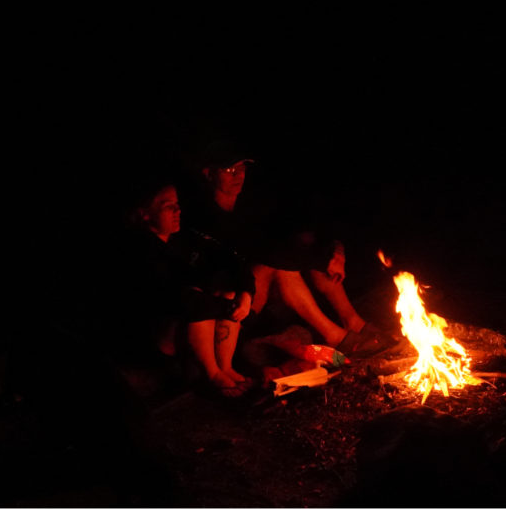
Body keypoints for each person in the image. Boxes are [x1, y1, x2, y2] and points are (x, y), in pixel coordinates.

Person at [182, 140, 397, 361]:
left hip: (258, 289)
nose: (239, 176)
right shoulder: (205, 216)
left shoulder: (250, 202)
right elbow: (262, 253)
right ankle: (336, 337)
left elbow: (287, 234)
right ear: (209, 174)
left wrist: (333, 251)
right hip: (235, 300)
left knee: (302, 251)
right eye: (229, 170)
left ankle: (353, 322)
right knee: (281, 266)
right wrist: (321, 259)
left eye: (242, 168)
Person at [125, 178, 254, 397]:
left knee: (227, 291)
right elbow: (178, 299)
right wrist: (228, 307)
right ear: (145, 214)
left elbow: (233, 261)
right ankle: (213, 375)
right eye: (168, 207)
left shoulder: (185, 238)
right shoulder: (140, 252)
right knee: (197, 300)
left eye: (177, 204)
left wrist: (245, 293)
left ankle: (226, 368)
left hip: (191, 319)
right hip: (159, 336)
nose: (177, 211)